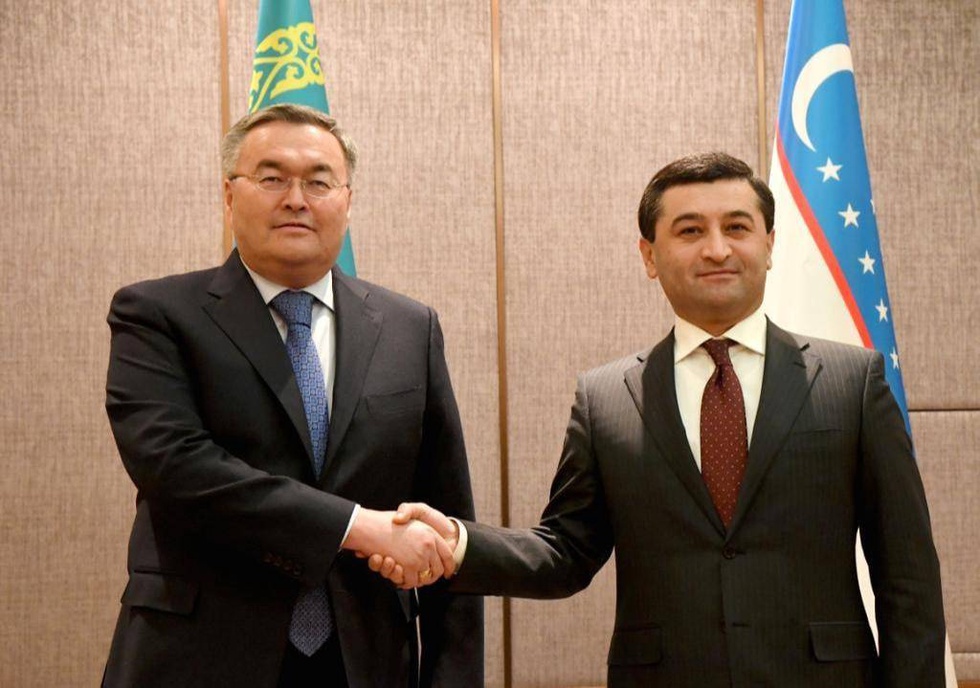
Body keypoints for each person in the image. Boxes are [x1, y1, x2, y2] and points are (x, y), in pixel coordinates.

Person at [379, 152, 946, 687]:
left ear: (770, 245)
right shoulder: (606, 399)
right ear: (649, 256)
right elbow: (565, 553)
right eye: (690, 230)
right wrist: (457, 543)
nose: (717, 249)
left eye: (738, 227)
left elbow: (909, 579)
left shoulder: (852, 382)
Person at [102, 103, 482, 687]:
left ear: (348, 201)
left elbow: (445, 515)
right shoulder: (156, 315)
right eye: (272, 178)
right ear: (229, 196)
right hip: (198, 658)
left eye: (319, 181)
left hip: (367, 663)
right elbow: (178, 470)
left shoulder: (410, 328)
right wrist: (357, 527)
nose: (296, 199)